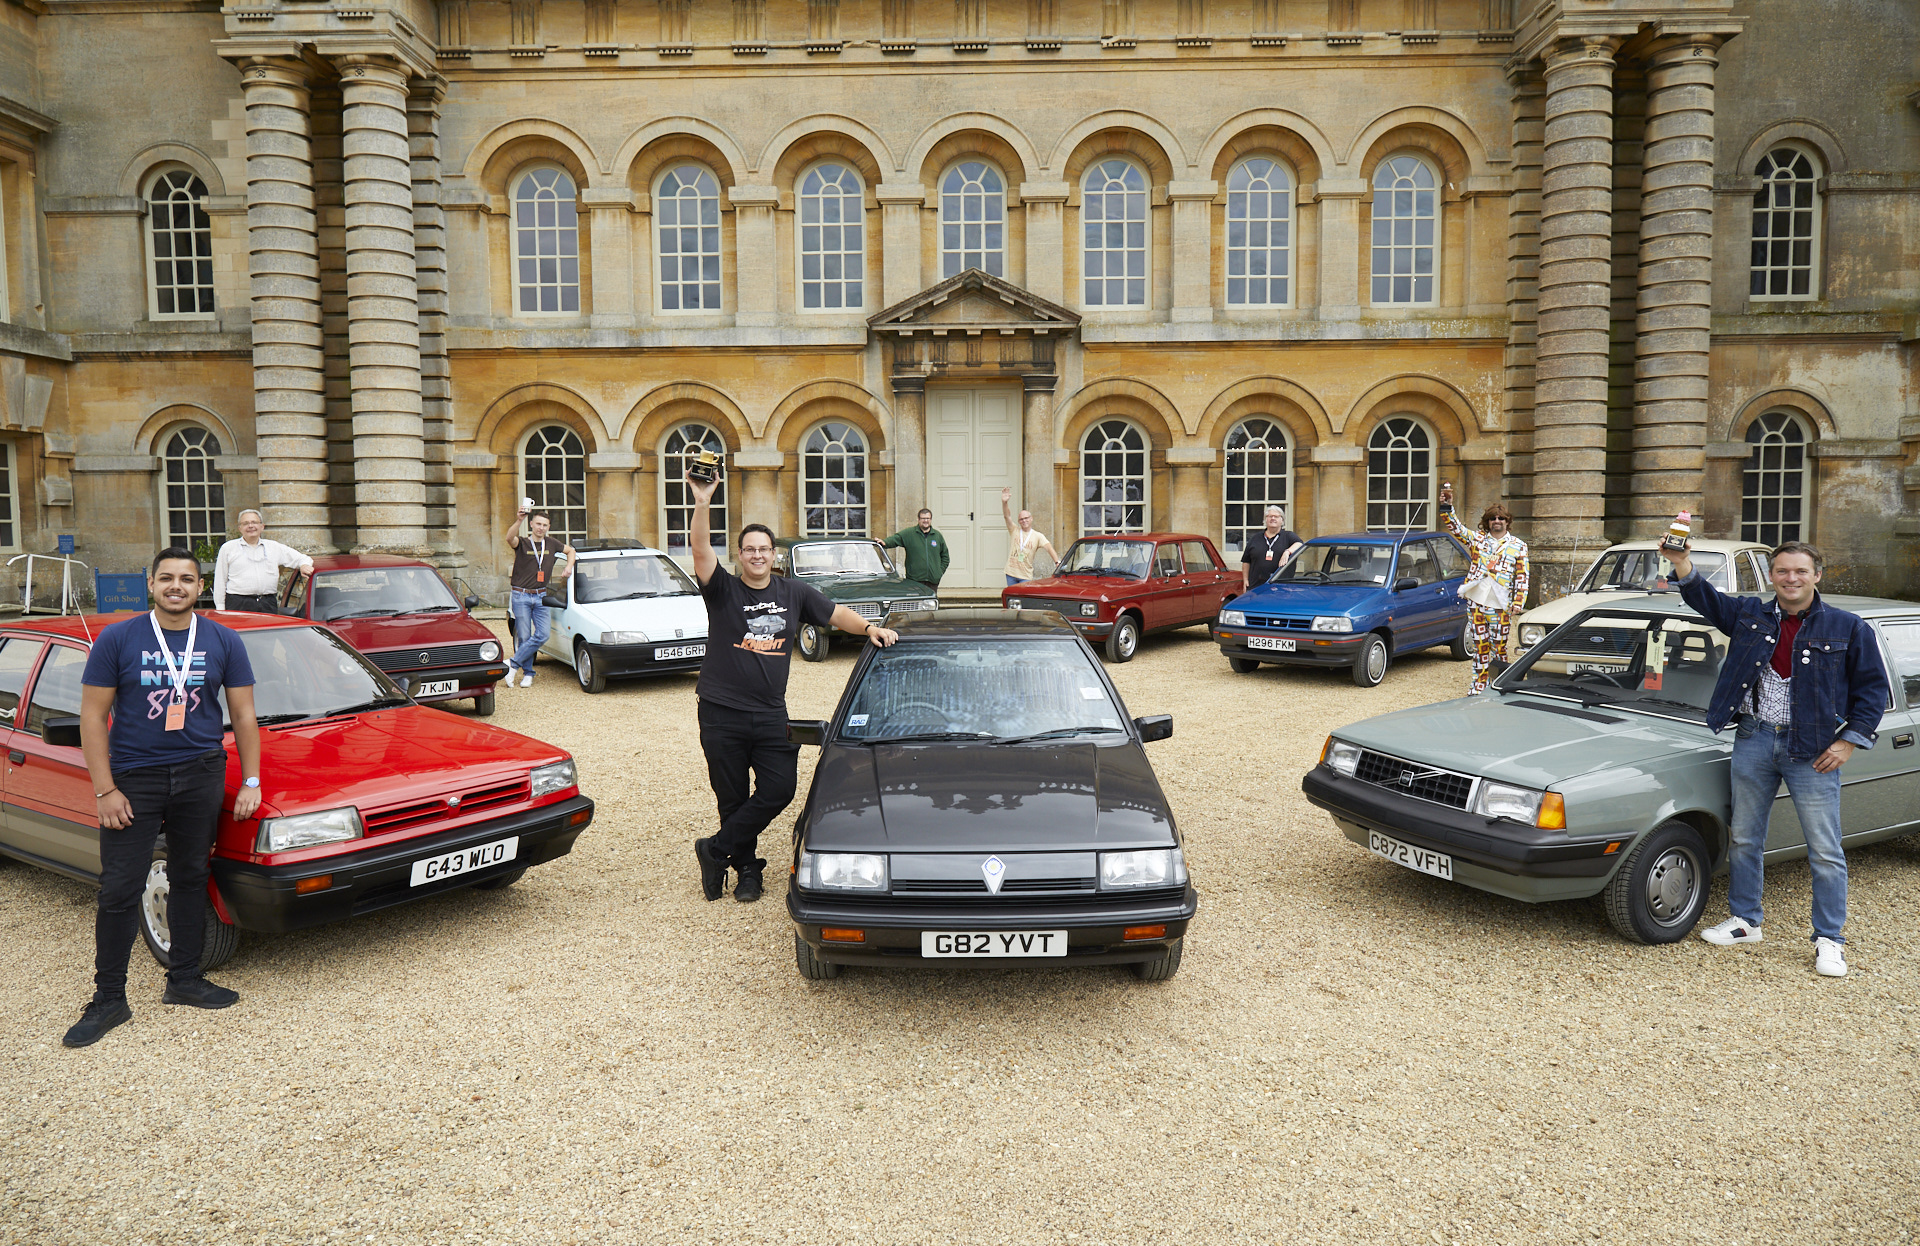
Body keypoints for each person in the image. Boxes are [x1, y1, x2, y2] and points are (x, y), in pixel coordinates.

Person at [63, 548, 262, 1048]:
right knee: (118, 889)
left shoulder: (223, 640)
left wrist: (252, 781)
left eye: (188, 579)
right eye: (167, 578)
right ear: (151, 583)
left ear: (201, 587)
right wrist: (105, 789)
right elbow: (92, 717)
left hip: (201, 774)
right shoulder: (118, 638)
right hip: (135, 778)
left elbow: (243, 715)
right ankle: (109, 998)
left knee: (191, 876)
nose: (177, 586)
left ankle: (185, 978)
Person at [1670, 536, 1887, 977]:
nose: (1791, 578)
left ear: (1817, 576)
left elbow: (1872, 692)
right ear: (1772, 576)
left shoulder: (1848, 627)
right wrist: (1681, 561)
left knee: (1825, 850)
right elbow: (1703, 597)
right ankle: (1746, 920)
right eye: (1783, 571)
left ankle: (1830, 940)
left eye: (1800, 571)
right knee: (1746, 836)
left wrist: (1849, 741)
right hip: (1752, 738)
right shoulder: (1749, 615)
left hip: (1813, 750)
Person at [684, 471, 898, 903]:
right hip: (720, 711)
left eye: (764, 549)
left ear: (773, 555)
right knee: (732, 795)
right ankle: (746, 870)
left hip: (768, 713)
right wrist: (703, 500)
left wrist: (870, 627)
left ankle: (715, 850)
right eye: (750, 550)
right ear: (740, 555)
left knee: (779, 788)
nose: (758, 556)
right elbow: (701, 549)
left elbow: (837, 614)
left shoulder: (794, 592)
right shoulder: (722, 589)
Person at [1439, 483, 1529, 695]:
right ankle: (1478, 686)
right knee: (1480, 647)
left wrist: (1518, 602)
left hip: (1501, 604)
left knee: (1499, 648)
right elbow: (1455, 528)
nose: (1496, 522)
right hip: (1476, 602)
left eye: (1501, 519)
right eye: (1492, 519)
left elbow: (1522, 575)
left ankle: (1498, 685)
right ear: (1487, 522)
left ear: (1507, 522)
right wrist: (1446, 507)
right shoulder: (1477, 539)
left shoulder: (1518, 545)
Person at [504, 505, 575, 689]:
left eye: (544, 525)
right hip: (521, 595)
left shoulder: (552, 544)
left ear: (548, 527)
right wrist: (518, 519)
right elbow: (509, 538)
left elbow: (571, 551)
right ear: (531, 524)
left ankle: (512, 663)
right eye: (538, 524)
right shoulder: (523, 543)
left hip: (541, 595)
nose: (540, 528)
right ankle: (528, 673)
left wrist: (568, 567)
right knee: (525, 636)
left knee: (543, 634)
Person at [212, 509, 314, 613]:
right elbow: (220, 580)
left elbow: (302, 558)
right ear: (240, 528)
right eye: (246, 523)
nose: (251, 526)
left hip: (267, 603)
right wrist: (220, 609)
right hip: (238, 604)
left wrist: (304, 565)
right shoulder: (228, 548)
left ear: (262, 526)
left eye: (254, 522)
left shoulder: (273, 547)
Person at [1001, 487, 1059, 587]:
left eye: (1026, 518)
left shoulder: (1037, 536)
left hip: (1025, 575)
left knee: (1023, 599)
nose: (1024, 521)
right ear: (1019, 521)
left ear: (1031, 519)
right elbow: (1007, 516)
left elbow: (1049, 547)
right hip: (1011, 573)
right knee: (1012, 599)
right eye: (1021, 519)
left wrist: (1057, 562)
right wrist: (1004, 503)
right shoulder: (1014, 530)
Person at [882, 508, 950, 590]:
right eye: (923, 518)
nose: (925, 521)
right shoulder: (909, 533)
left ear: (931, 520)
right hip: (914, 580)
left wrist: (938, 572)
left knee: (930, 602)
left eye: (928, 518)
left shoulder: (937, 536)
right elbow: (895, 539)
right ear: (918, 519)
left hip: (932, 580)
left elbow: (945, 556)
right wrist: (884, 542)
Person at [1240, 504, 1303, 591]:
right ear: (1265, 519)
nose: (1273, 518)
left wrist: (1287, 552)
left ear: (1282, 520)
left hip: (1282, 588)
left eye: (1276, 516)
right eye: (1270, 516)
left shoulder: (1288, 536)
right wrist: (1246, 580)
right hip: (1256, 587)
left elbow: (1300, 544)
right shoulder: (1255, 538)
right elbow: (1246, 562)